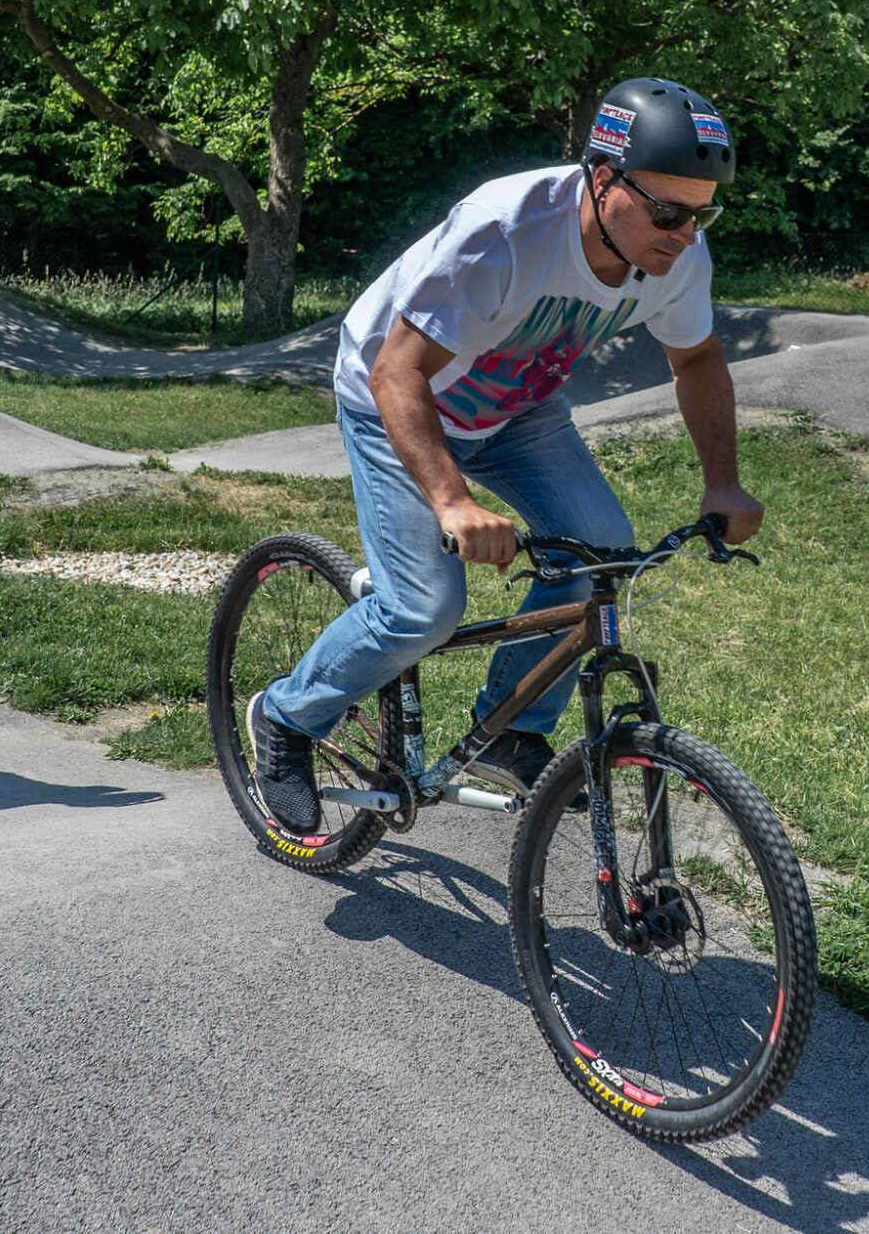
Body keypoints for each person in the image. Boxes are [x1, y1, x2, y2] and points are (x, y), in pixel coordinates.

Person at [249, 77, 763, 833]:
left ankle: (510, 730)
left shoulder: (675, 253)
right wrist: (452, 501)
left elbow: (697, 360)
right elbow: (397, 372)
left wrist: (723, 481)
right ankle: (287, 717)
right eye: (668, 212)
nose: (686, 234)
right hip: (398, 397)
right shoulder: (505, 230)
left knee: (600, 555)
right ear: (602, 179)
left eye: (703, 213)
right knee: (424, 609)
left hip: (517, 410)